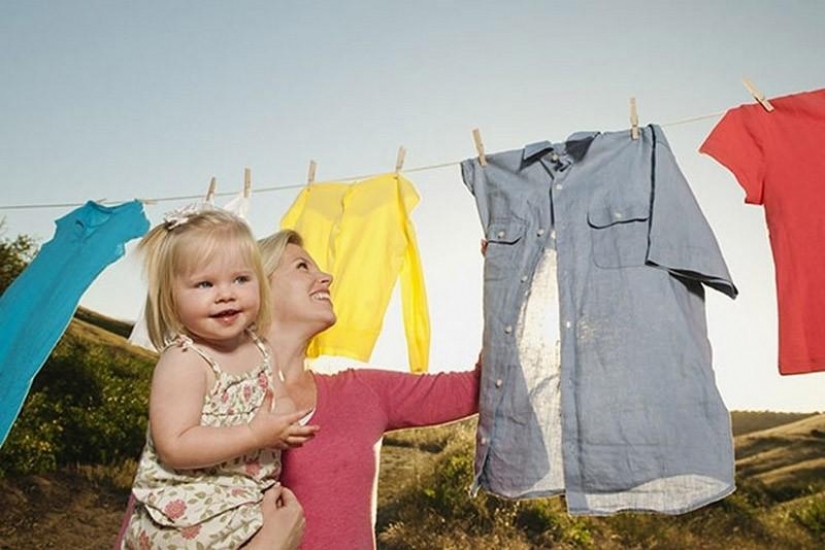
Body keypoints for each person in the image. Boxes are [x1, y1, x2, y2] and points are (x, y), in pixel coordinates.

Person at [258, 229, 481, 549]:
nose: (326, 277)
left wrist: (508, 276)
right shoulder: (210, 400)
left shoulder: (363, 392)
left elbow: (480, 387)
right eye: (302, 267)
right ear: (258, 290)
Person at [120, 207, 318, 549]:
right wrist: (255, 433)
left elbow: (278, 396)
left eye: (241, 279)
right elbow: (175, 446)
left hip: (243, 501)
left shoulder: (261, 349)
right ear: (171, 296)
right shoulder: (185, 360)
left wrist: (283, 421)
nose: (226, 293)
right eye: (205, 284)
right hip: (187, 515)